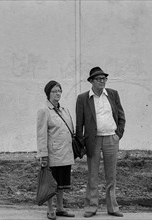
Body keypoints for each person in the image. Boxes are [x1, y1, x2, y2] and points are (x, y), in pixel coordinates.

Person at [75, 67, 125, 218]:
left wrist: (118, 135)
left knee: (111, 175)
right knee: (92, 175)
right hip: (93, 140)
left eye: (104, 79)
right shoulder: (83, 98)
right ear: (91, 81)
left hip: (111, 139)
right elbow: (79, 124)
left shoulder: (113, 94)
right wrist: (82, 143)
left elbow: (121, 116)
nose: (102, 81)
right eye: (98, 79)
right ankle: (91, 206)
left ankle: (112, 207)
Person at [37, 80, 75, 220]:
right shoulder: (44, 110)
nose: (57, 93)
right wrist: (43, 155)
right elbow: (41, 134)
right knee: (51, 183)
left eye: (59, 91)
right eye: (54, 91)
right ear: (48, 93)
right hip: (53, 154)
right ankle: (50, 209)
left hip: (65, 153)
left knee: (61, 184)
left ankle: (60, 208)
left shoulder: (64, 110)